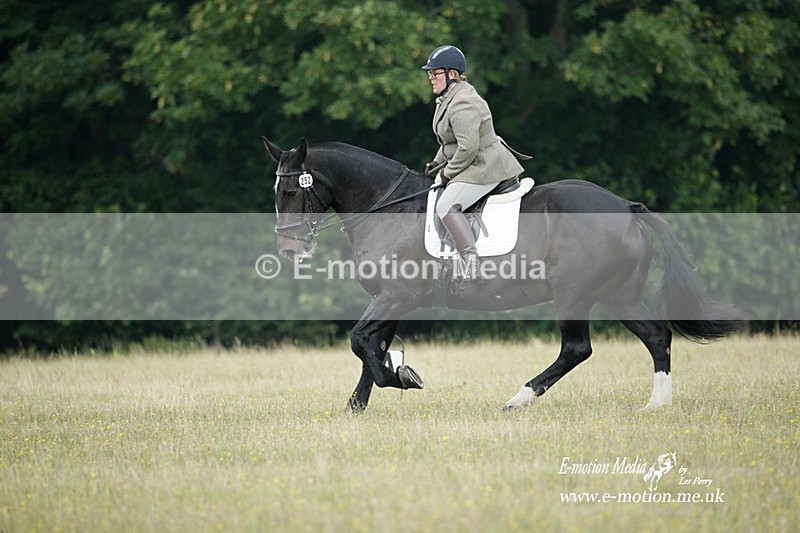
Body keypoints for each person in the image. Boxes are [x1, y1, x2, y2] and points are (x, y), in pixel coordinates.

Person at [422, 45, 527, 282]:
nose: (430, 78)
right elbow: (449, 141)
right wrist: (435, 162)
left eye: (435, 73)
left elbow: (467, 148)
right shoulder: (449, 98)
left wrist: (447, 173)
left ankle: (472, 262)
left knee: (446, 206)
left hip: (485, 166)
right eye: (430, 73)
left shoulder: (463, 103)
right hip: (472, 162)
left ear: (452, 74)